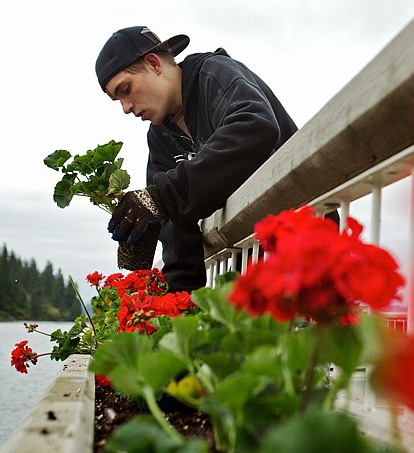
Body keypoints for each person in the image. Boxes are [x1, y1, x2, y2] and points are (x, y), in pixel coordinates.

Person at [95, 26, 315, 292]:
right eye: (117, 100)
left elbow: (256, 126)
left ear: (154, 64)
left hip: (304, 242)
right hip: (247, 253)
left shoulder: (214, 74)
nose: (126, 107)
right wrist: (177, 300)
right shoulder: (159, 136)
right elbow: (172, 222)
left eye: (126, 89)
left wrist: (164, 197)